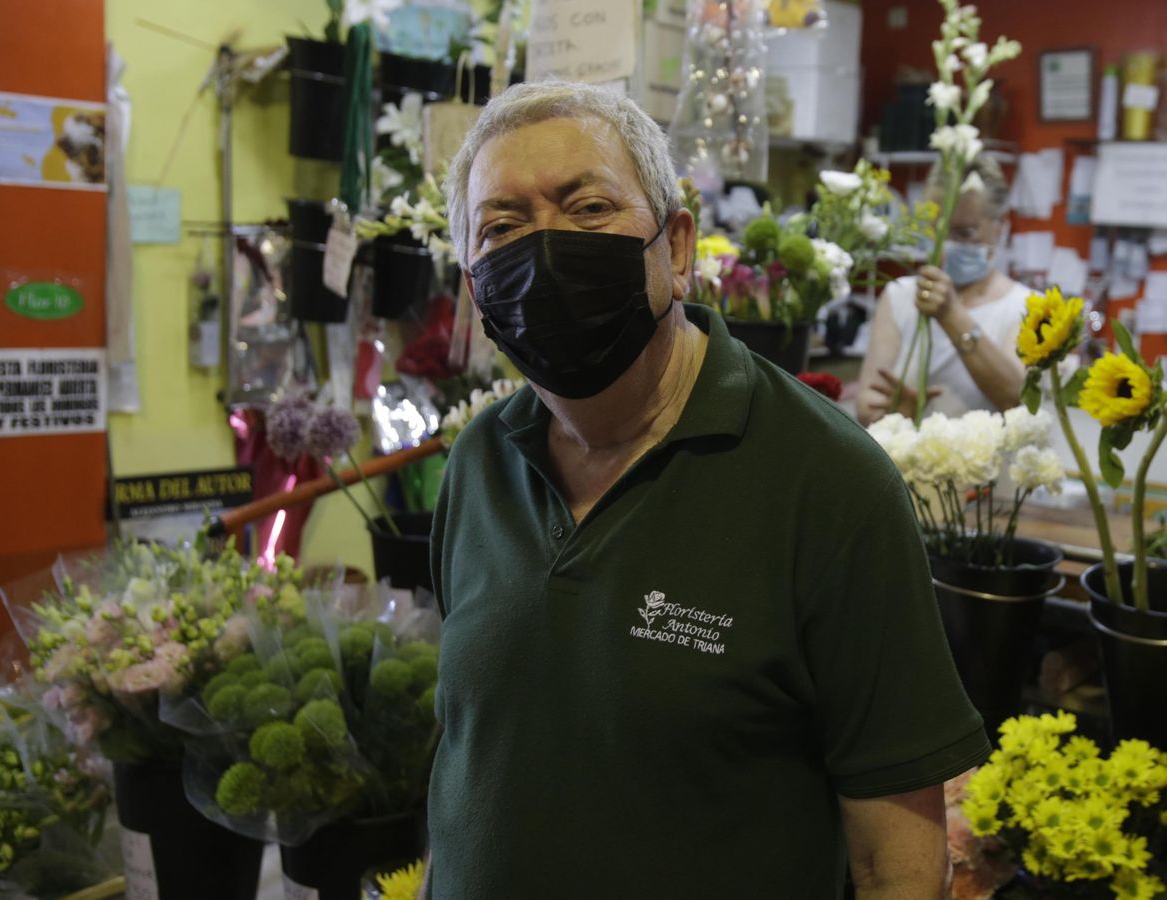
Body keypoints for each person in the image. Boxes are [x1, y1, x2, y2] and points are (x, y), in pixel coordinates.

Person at [426, 81, 989, 899]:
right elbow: (468, 757)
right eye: (503, 227)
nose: (545, 250)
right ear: (476, 289)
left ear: (678, 247)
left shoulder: (829, 483)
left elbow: (892, 862)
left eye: (588, 208)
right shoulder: (479, 462)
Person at [855, 156, 1032, 425]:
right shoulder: (899, 296)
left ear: (1000, 226)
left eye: (964, 233)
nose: (949, 245)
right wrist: (897, 414)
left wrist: (951, 315)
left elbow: (1015, 399)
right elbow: (866, 409)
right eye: (938, 233)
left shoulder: (1026, 307)